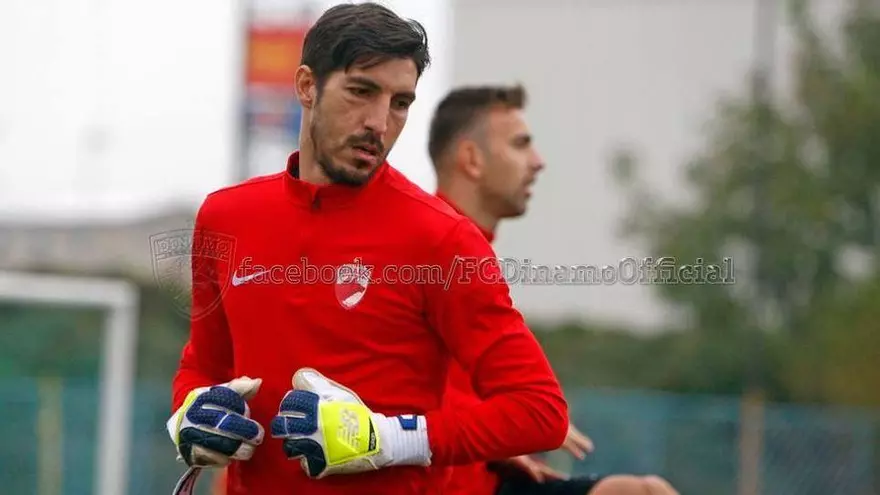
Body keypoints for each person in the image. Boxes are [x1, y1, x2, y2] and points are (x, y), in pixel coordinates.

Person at [166, 4, 570, 495]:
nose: (379, 122)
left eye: (400, 102)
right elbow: (204, 366)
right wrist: (190, 415)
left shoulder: (442, 239)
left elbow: (539, 411)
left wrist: (385, 438)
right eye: (361, 91)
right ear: (307, 86)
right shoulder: (225, 217)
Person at [428, 85, 681, 495]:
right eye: (520, 145)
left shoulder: (472, 247)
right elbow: (395, 386)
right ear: (472, 159)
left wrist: (511, 436)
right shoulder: (426, 246)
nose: (538, 162)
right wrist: (511, 429)